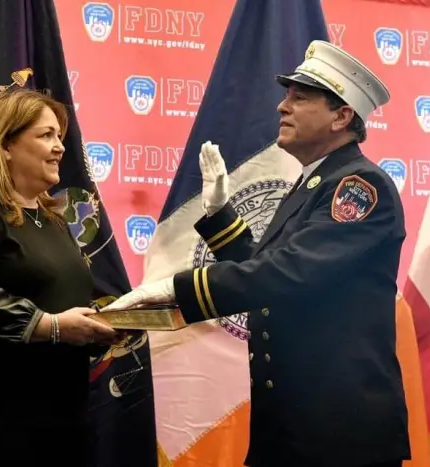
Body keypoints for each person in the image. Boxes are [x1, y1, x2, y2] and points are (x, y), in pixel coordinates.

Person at [105, 40, 410, 467]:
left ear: (342, 116)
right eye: (286, 95)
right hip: (292, 427)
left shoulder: (358, 187)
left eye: (300, 98)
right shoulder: (313, 183)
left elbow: (287, 274)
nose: (282, 107)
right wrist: (218, 214)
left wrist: (174, 288)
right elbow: (263, 267)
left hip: (338, 436)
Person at [0, 88, 121, 466]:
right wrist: (48, 326)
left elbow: (61, 304)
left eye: (60, 137)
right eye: (45, 135)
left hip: (63, 417)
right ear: (4, 145)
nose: (60, 147)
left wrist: (106, 326)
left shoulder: (55, 221)